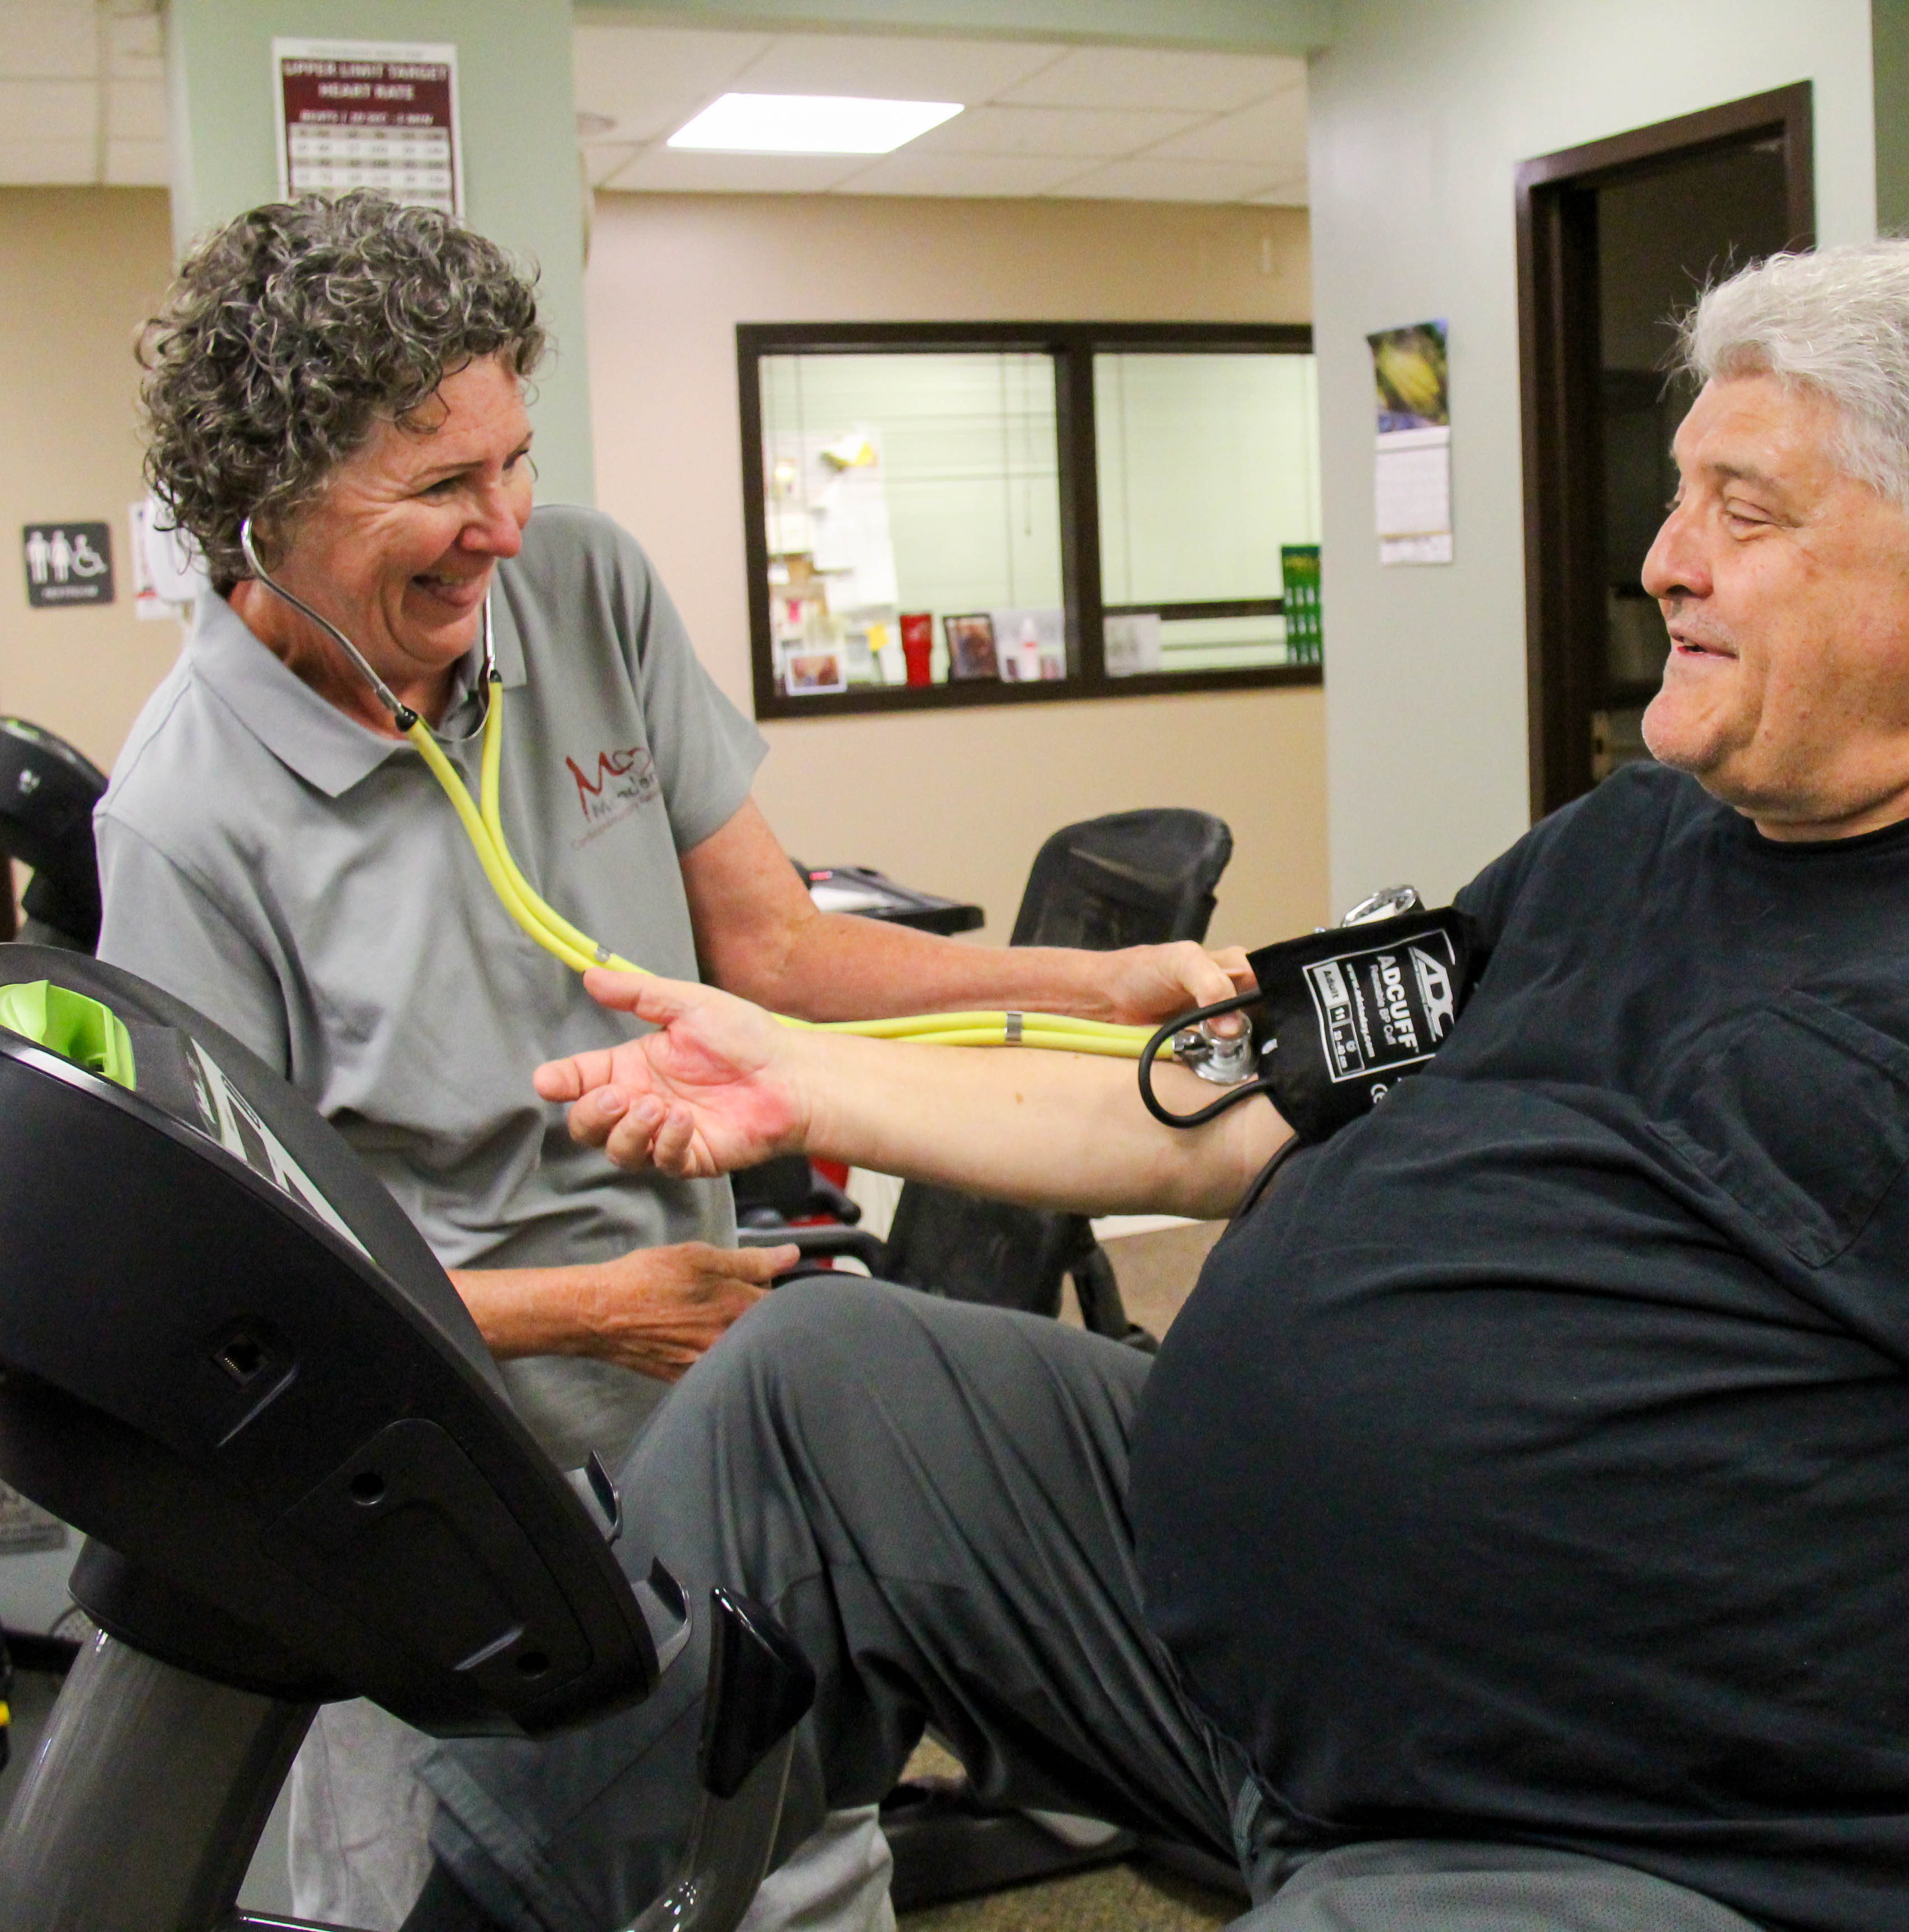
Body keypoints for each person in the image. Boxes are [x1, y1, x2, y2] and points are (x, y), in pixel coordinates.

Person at [419, 240, 1909, 1932]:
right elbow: (1219, 1108)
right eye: (1680, 497)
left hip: (1666, 1836)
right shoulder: (1629, 837)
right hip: (1264, 1659)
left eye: (1744, 511)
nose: (1665, 559)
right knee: (832, 1384)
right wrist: (807, 1070)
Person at [102, 191, 1236, 1929]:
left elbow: (775, 950)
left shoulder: (583, 590)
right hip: (449, 1499)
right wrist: (595, 1312)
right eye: (438, 487)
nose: (505, 525)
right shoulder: (186, 819)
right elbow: (230, 1296)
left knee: (781, 1866)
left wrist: (1103, 987)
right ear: (267, 518)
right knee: (496, 1891)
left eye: (514, 458)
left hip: (709, 1413)